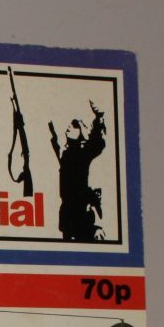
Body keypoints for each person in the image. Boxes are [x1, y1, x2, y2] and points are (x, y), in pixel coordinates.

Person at [49, 101, 106, 241]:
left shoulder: (83, 152)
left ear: (82, 132)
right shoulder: (66, 153)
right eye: (70, 124)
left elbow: (97, 143)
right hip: (67, 214)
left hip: (80, 212)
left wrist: (99, 117)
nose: (69, 126)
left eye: (74, 125)